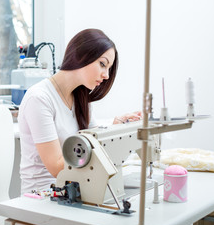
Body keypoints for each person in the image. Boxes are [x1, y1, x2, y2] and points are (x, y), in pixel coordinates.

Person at [18, 28, 141, 194]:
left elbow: (92, 145)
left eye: (108, 68)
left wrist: (114, 129)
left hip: (75, 190)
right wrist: (102, 139)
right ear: (82, 55)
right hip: (42, 196)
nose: (106, 75)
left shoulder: (81, 99)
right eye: (103, 64)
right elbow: (56, 167)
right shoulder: (39, 99)